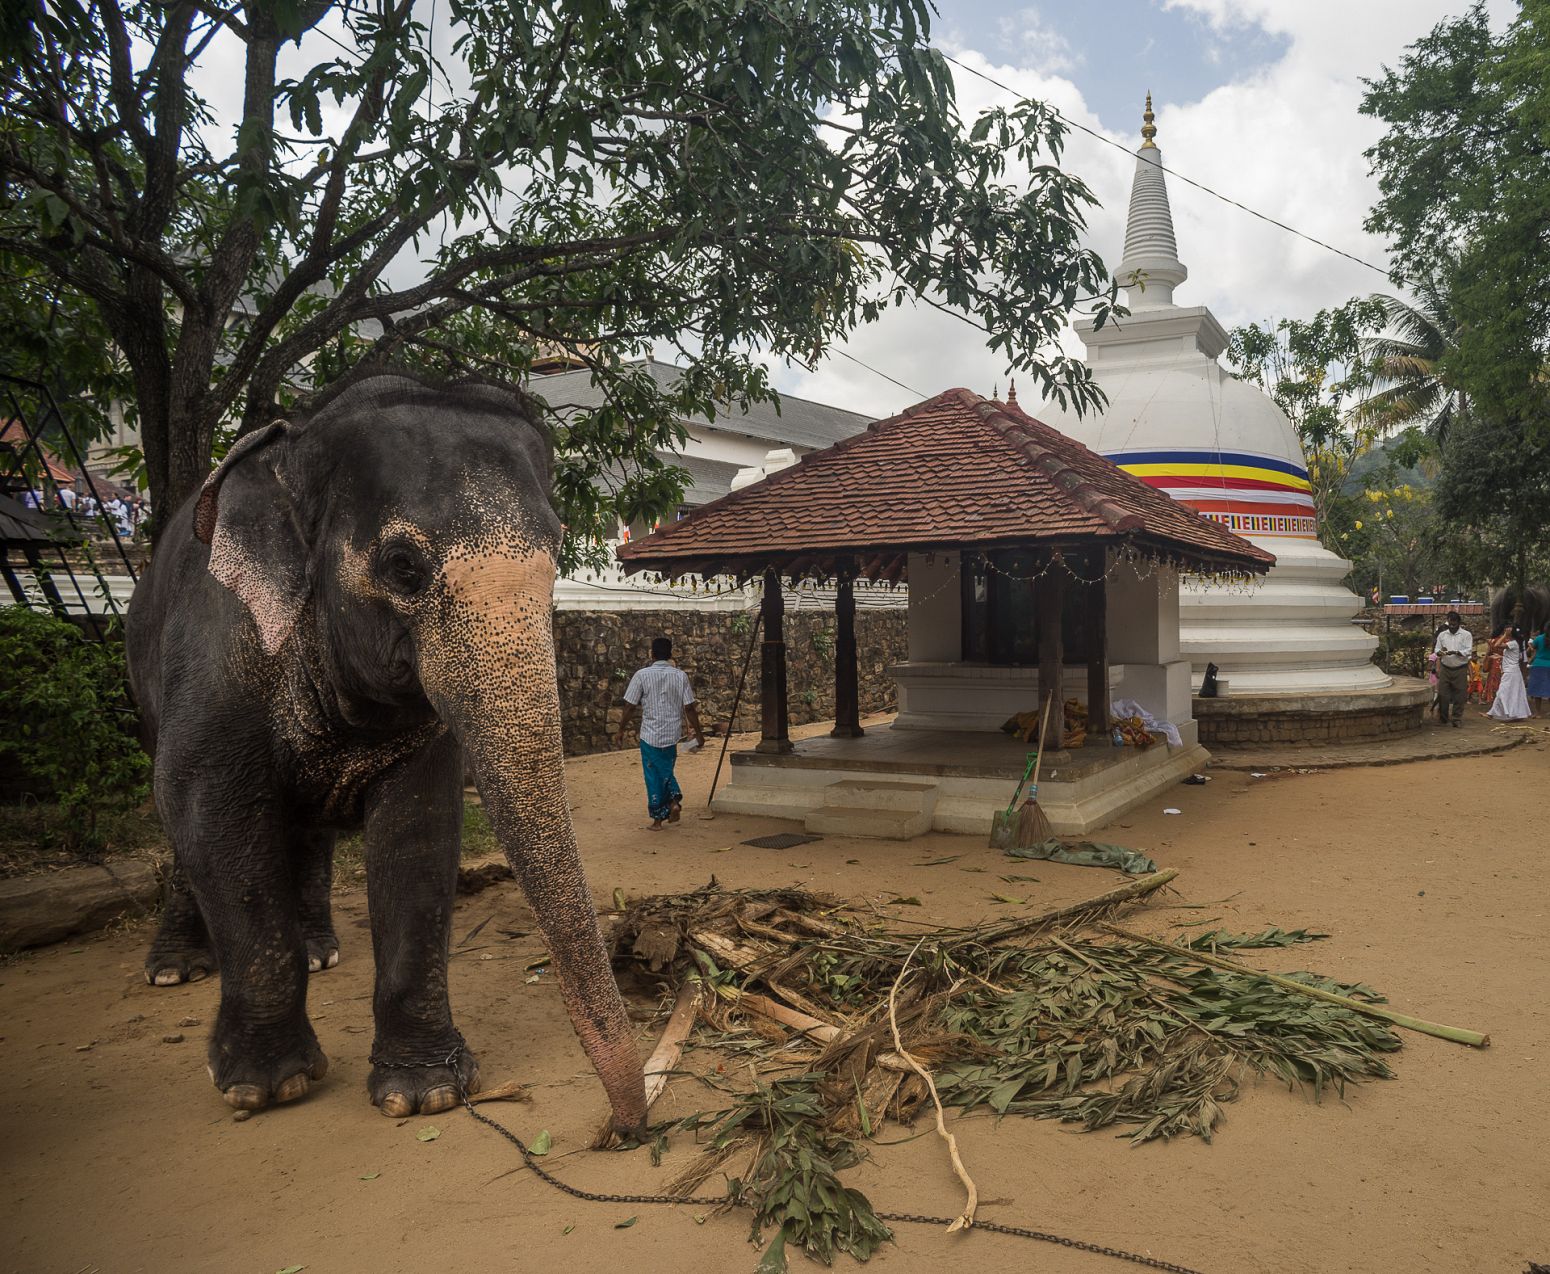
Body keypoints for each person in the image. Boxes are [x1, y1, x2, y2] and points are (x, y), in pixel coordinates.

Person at [617, 636, 705, 829]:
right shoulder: (680, 676)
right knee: (666, 769)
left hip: (650, 734)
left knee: (653, 774)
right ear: (670, 654)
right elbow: (689, 707)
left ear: (652, 654)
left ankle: (659, 818)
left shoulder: (642, 675)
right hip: (672, 733)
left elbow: (630, 705)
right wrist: (699, 733)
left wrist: (621, 729)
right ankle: (672, 803)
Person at [1431, 610, 1472, 727]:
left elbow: (1468, 650)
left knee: (1460, 695)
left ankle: (1456, 718)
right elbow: (1437, 649)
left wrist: (1458, 652)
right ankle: (1443, 717)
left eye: (1454, 624)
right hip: (1445, 667)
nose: (1452, 626)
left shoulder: (1466, 635)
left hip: (1460, 667)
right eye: (1450, 624)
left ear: (1459, 623)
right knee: (1443, 694)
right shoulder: (1442, 635)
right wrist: (1441, 652)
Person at [1486, 625, 1532, 722]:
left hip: (1510, 672)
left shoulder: (1513, 643)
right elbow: (1514, 658)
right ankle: (1515, 714)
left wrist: (1504, 635)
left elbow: (1496, 645)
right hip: (1513, 671)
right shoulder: (1515, 644)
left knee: (1502, 692)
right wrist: (1501, 657)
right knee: (1514, 693)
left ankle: (1491, 714)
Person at [1482, 622, 1510, 705]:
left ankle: (1491, 697)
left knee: (1493, 679)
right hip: (1505, 661)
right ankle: (1503, 698)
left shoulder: (1492, 640)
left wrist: (1486, 660)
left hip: (1493, 662)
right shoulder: (1508, 640)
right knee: (1503, 680)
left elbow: (1488, 652)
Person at [1528, 621, 1550, 719]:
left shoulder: (1539, 638)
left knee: (1537, 690)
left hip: (1538, 665)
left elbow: (1531, 650)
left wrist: (1529, 645)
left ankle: (1538, 713)